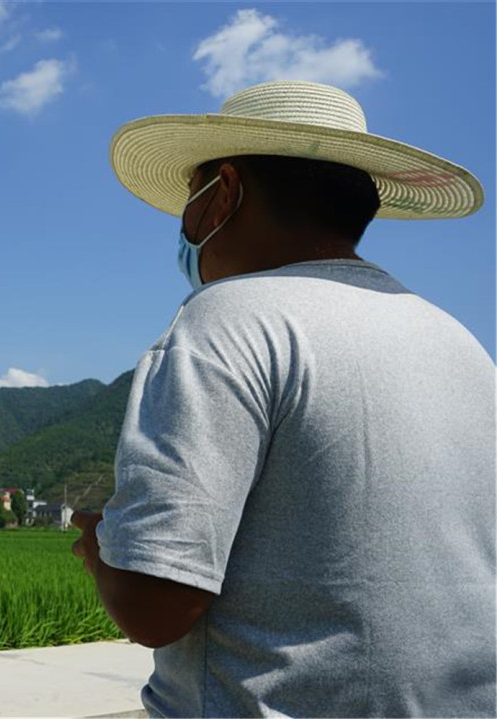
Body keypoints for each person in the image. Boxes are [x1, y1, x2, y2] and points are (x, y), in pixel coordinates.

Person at [71, 80, 495, 717]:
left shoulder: (225, 319)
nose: (186, 225)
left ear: (225, 196)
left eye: (192, 198)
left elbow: (156, 606)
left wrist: (102, 549)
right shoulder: (459, 341)